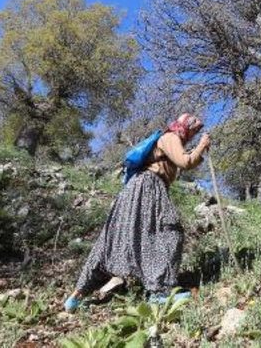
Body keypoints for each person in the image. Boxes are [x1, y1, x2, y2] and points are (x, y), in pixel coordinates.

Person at [63, 113, 211, 312]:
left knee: (113, 240)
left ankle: (76, 297)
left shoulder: (172, 140)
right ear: (184, 126)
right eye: (193, 130)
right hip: (149, 186)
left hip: (137, 189)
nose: (194, 134)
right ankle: (159, 293)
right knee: (170, 233)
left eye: (196, 132)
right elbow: (185, 162)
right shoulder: (170, 138)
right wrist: (202, 145)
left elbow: (187, 161)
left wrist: (199, 150)